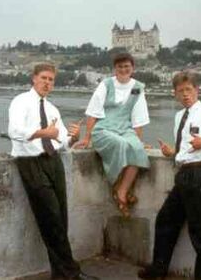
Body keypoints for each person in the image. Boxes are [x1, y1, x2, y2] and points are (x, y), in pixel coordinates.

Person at [138, 71, 201, 280]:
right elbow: (187, 148)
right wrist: (172, 153)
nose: (185, 94)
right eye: (180, 91)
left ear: (196, 90)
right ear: (175, 93)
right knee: (165, 221)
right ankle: (158, 270)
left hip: (199, 175)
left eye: (189, 90)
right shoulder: (179, 116)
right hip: (183, 175)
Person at [8, 64, 98, 280]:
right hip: (31, 163)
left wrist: (73, 137)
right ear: (34, 79)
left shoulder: (52, 109)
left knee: (61, 218)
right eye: (44, 78)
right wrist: (42, 132)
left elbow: (62, 141)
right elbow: (15, 132)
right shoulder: (20, 102)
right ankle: (71, 273)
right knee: (51, 219)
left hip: (53, 162)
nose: (48, 83)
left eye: (51, 80)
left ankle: (61, 274)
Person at [74, 53, 150, 217]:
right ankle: (118, 187)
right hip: (104, 129)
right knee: (121, 144)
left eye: (126, 67)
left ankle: (121, 190)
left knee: (137, 149)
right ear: (115, 69)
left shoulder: (137, 88)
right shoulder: (106, 85)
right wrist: (87, 138)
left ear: (132, 68)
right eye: (120, 67)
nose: (123, 70)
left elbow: (138, 119)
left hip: (125, 129)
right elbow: (93, 113)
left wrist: (138, 141)